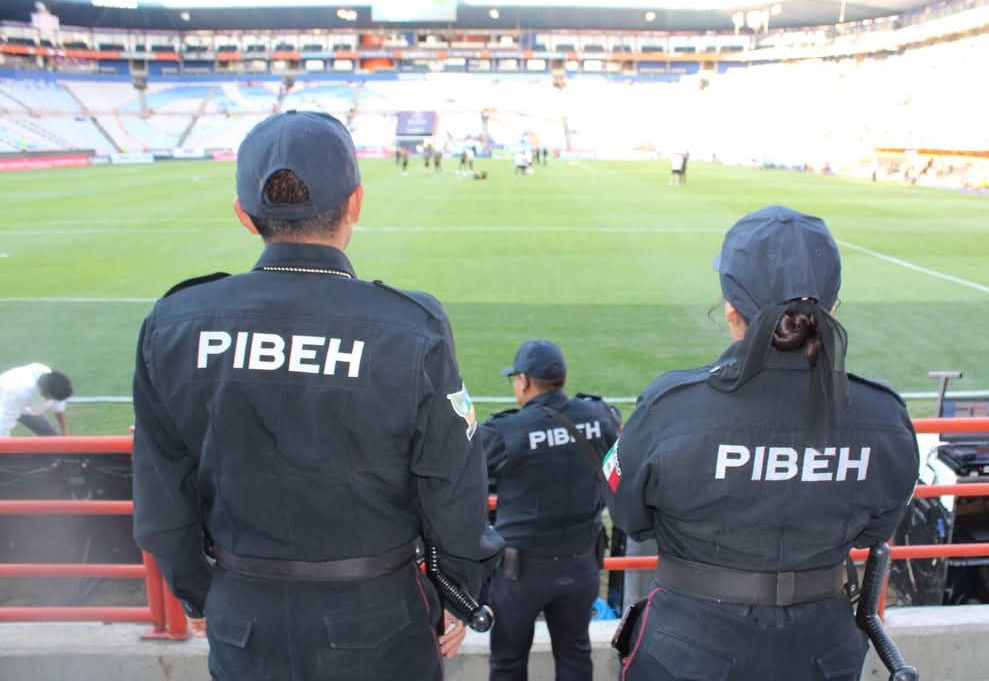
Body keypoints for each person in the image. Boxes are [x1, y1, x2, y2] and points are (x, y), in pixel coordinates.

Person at [132, 111, 503, 681]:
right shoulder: (410, 327)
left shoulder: (175, 323)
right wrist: (456, 590)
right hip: (380, 620)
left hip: (243, 617)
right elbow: (452, 485)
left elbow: (162, 496)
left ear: (243, 214)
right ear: (355, 203)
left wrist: (206, 594)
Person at [609, 205, 919, 680]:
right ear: (832, 308)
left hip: (684, 652)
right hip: (823, 653)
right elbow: (875, 529)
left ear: (730, 309)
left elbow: (628, 514)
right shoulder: (883, 415)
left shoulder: (670, 408)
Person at [478, 339, 619, 681]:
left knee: (508, 662)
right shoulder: (600, 417)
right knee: (575, 655)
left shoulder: (505, 431)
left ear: (524, 381)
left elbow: (465, 475)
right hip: (582, 565)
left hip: (521, 573)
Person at [0, 363, 73, 437]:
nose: (52, 401)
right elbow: (3, 427)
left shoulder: (51, 379)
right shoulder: (17, 393)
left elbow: (59, 404)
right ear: (45, 392)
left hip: (24, 404)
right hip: (5, 399)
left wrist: (63, 429)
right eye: (51, 398)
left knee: (53, 437)